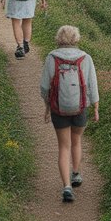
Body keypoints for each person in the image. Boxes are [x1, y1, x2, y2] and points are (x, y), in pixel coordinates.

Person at [39, 25, 100, 203]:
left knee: (63, 147)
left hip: (59, 109)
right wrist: (95, 107)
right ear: (76, 39)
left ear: (58, 39)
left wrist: (47, 106)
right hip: (80, 108)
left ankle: (66, 187)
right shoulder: (85, 58)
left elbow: (44, 87)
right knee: (76, 142)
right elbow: (92, 84)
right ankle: (76, 174)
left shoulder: (52, 58)